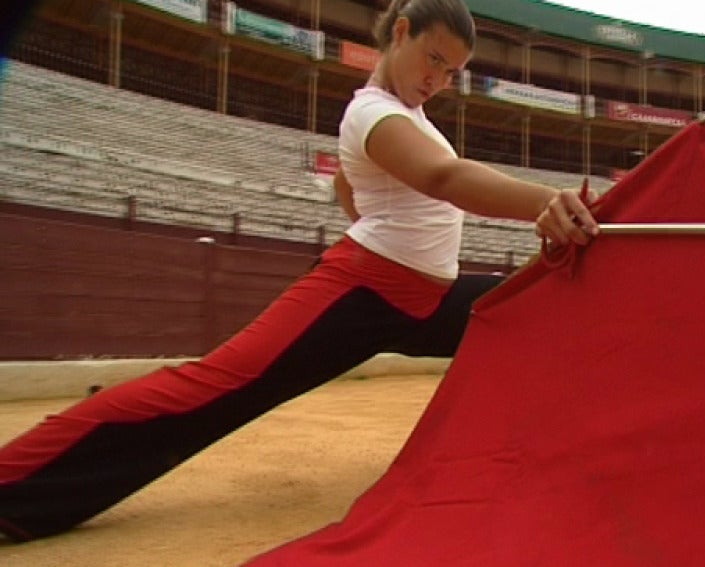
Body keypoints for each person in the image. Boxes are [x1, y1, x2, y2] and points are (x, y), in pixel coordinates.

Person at [0, 0, 598, 542]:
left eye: (450, 74)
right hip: (365, 295)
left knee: (530, 310)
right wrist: (545, 200)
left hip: (426, 299)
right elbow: (442, 179)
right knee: (215, 388)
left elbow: (349, 187)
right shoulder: (372, 112)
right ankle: (15, 488)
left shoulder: (411, 121)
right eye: (433, 59)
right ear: (402, 32)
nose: (436, 80)